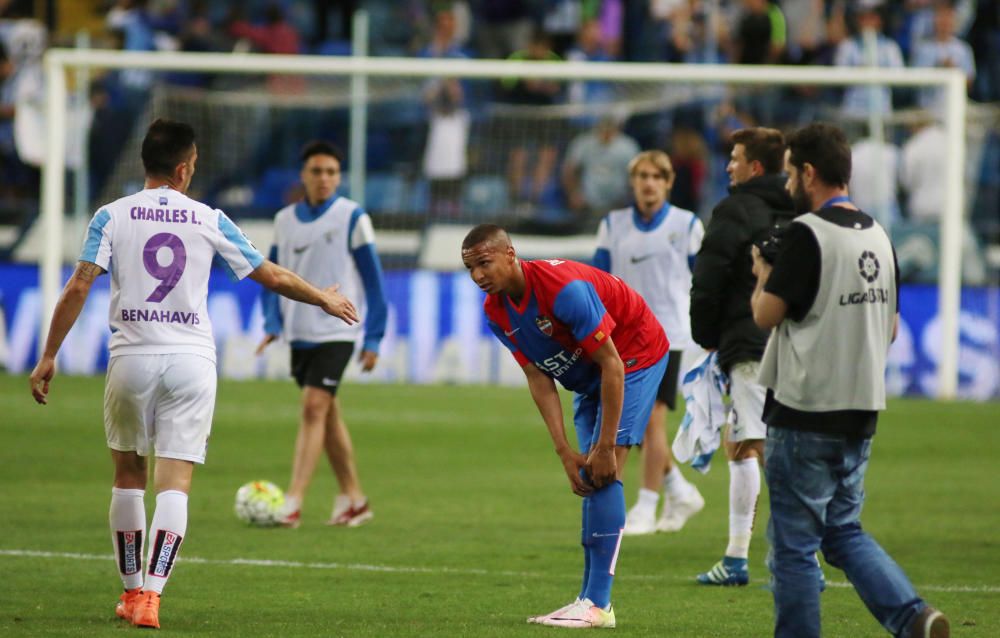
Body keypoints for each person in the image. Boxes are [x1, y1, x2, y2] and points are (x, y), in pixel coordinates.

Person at [28, 119, 359, 630]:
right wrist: (324, 297)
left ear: (148, 164)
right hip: (191, 361)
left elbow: (78, 286)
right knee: (175, 484)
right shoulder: (209, 217)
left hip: (132, 356)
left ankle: (131, 589)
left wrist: (50, 354)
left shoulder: (110, 216)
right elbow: (268, 273)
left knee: (128, 478)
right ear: (184, 169)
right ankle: (152, 599)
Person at [751, 122, 949, 638]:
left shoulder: (808, 235)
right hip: (861, 410)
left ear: (809, 172)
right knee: (841, 531)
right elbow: (892, 326)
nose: (789, 181)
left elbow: (766, 315)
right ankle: (913, 617)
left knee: (793, 546)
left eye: (792, 171)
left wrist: (761, 273)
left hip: (805, 410)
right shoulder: (882, 236)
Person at [462, 224, 669, 629]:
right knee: (589, 475)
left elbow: (613, 363)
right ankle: (588, 600)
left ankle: (598, 605)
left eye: (484, 264)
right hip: (588, 372)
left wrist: (607, 444)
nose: (478, 276)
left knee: (605, 472)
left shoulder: (563, 289)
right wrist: (562, 451)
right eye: (470, 268)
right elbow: (538, 378)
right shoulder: (495, 311)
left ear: (510, 254)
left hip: (633, 357)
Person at [257, 140, 388, 529]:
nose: (325, 178)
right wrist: (272, 324)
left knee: (314, 407)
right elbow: (272, 276)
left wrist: (374, 339)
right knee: (327, 414)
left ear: (340, 176)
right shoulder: (284, 220)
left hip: (338, 329)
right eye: (317, 171)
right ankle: (354, 499)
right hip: (300, 331)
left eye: (332, 172)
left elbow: (375, 285)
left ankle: (293, 501)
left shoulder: (352, 217)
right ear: (304, 175)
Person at [689, 127, 795, 585]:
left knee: (748, 443)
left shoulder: (735, 209)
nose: (728, 166)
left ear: (754, 167)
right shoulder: (802, 211)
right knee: (781, 445)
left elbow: (708, 277)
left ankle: (738, 559)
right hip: (797, 344)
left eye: (734, 158)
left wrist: (706, 334)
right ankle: (800, 555)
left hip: (749, 339)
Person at [593, 150, 705, 537]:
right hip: (622, 338)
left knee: (650, 419)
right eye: (642, 175)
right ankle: (679, 488)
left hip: (669, 336)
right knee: (633, 421)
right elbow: (598, 281)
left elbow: (704, 281)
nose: (649, 182)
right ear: (633, 181)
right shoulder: (613, 225)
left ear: (669, 182)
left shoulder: (687, 225)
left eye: (657, 175)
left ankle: (645, 505)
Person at [561, 112, 640, 221]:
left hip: (618, 202)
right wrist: (573, 194)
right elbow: (569, 170)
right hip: (588, 203)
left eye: (609, 129)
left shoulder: (628, 146)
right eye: (602, 129)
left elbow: (637, 174)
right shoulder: (583, 143)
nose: (606, 133)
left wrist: (629, 197)